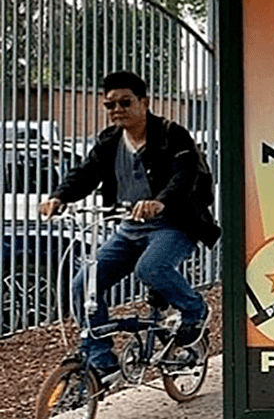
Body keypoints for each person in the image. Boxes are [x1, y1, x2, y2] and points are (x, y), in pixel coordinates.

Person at [40, 70, 220, 378]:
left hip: (174, 225)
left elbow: (186, 174)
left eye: (125, 102)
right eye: (110, 105)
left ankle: (194, 310)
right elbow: (86, 173)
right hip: (129, 229)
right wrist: (59, 197)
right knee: (83, 285)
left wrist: (160, 201)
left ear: (144, 102)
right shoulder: (110, 140)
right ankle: (101, 360)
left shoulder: (171, 134)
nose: (117, 110)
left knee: (150, 268)